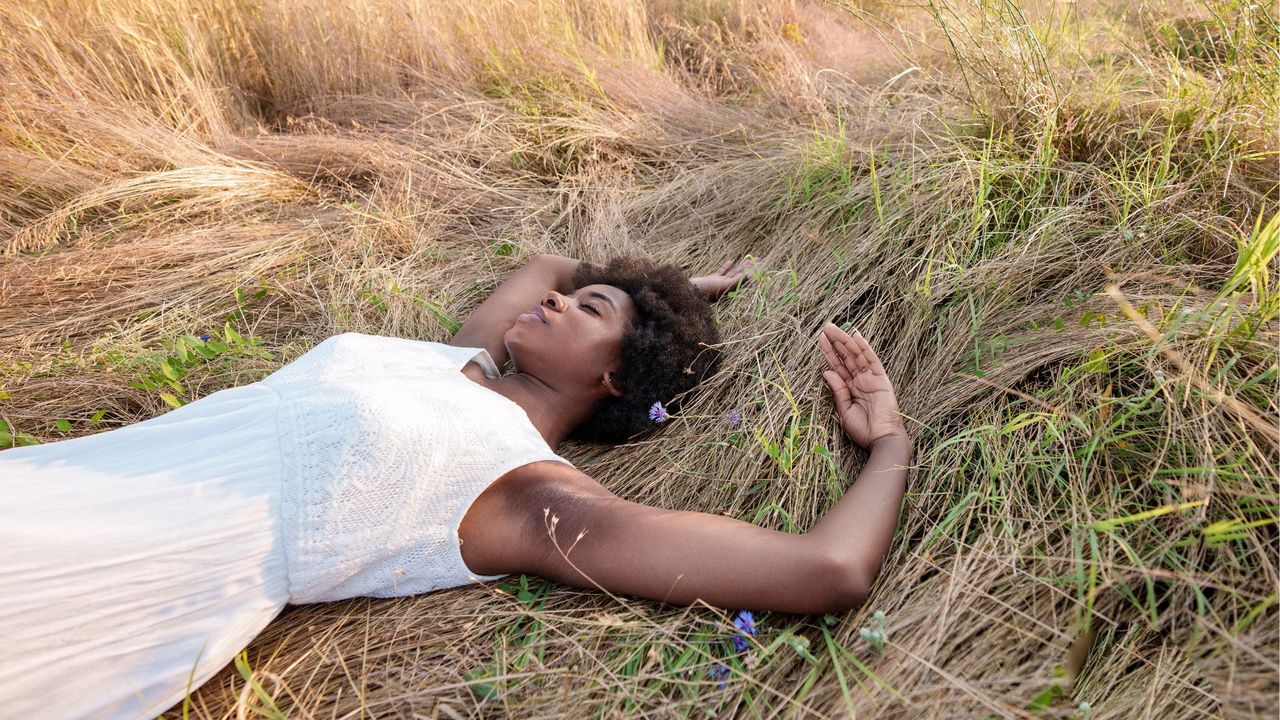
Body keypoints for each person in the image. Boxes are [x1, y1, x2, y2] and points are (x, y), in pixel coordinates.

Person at [0, 254, 910, 719]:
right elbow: (551, 265)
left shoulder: (530, 495)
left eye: (590, 311)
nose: (560, 299)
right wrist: (668, 289)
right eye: (576, 295)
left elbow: (827, 572)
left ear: (619, 381)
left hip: (149, 558)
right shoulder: (462, 359)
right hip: (107, 471)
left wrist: (888, 443)